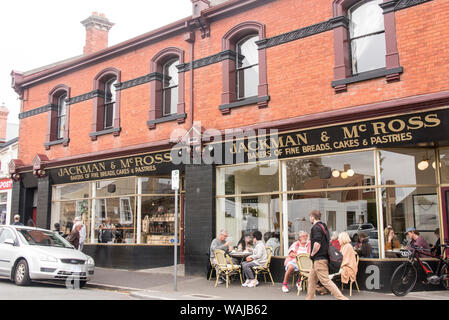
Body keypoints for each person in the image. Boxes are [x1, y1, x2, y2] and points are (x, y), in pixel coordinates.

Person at [306, 210, 348, 300]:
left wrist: (312, 254)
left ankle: (343, 298)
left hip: (319, 259)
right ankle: (309, 298)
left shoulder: (315, 228)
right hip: (322, 258)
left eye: (310, 217)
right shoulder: (324, 226)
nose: (310, 218)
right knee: (312, 280)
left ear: (313, 217)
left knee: (325, 281)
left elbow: (317, 244)